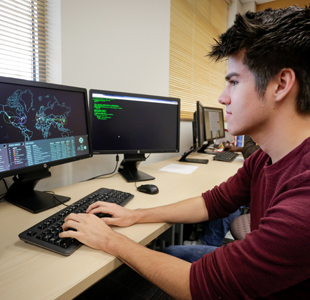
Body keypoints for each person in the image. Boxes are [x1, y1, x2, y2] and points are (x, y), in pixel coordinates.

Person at [60, 6, 310, 300]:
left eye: (233, 81)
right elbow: (213, 203)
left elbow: (201, 287)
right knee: (169, 253)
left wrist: (109, 240)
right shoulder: (265, 158)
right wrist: (135, 215)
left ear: (281, 84)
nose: (222, 96)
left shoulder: (304, 197)